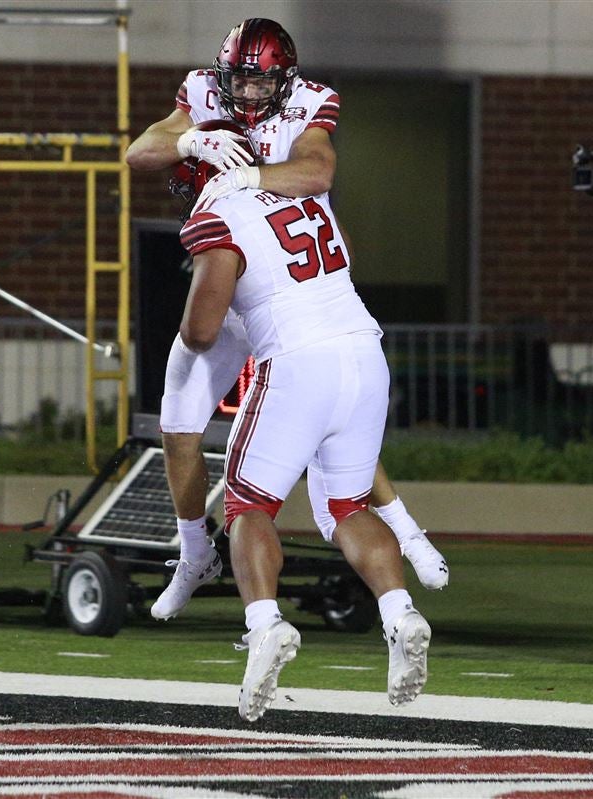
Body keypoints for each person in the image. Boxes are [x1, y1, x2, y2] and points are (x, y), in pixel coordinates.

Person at [124, 18, 447, 621]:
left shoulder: (311, 102)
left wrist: (243, 179)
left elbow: (318, 172)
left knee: (324, 422)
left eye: (260, 82)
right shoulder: (200, 93)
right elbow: (139, 151)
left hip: (292, 289)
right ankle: (195, 554)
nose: (247, 94)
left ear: (286, 79)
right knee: (178, 422)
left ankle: (407, 529)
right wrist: (192, 142)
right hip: (238, 276)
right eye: (239, 82)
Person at [175, 125, 432, 720]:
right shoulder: (301, 190)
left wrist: (193, 330)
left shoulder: (217, 207)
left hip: (296, 361)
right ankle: (398, 612)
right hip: (365, 353)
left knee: (248, 505)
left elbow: (202, 329)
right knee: (346, 506)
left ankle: (265, 625)